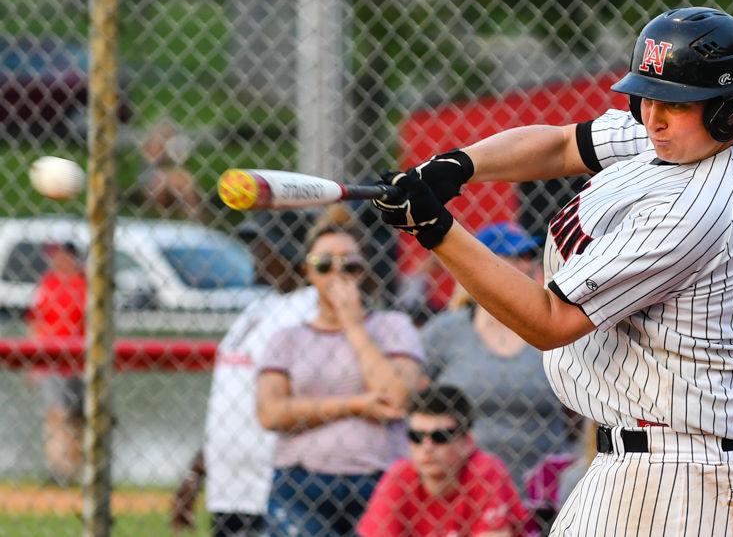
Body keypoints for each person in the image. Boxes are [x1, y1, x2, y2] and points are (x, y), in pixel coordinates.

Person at [374, 7, 733, 534]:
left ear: (729, 109)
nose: (653, 119)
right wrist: (456, 165)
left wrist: (435, 230)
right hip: (649, 461)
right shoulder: (725, 137)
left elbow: (550, 320)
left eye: (676, 104)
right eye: (648, 98)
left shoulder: (699, 208)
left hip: (689, 476)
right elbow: (564, 145)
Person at [256, 221, 426, 536]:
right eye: (324, 264)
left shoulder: (394, 326)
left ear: (364, 270)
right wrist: (355, 406)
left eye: (349, 264)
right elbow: (271, 413)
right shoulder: (286, 338)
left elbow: (396, 398)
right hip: (301, 482)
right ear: (307, 272)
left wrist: (352, 324)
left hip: (380, 478)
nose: (337, 272)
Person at [168, 209, 322, 536]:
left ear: (288, 253)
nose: (255, 253)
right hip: (230, 488)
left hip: (277, 486)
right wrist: (196, 474)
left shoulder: (312, 309)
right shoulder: (258, 309)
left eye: (264, 244)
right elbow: (228, 403)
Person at [421, 221, 575, 491]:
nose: (528, 265)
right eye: (515, 256)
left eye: (529, 256)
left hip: (545, 488)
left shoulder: (554, 330)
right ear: (481, 264)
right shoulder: (446, 331)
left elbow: (578, 413)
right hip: (465, 486)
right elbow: (420, 404)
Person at [357, 384, 529, 536]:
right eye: (416, 436)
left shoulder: (484, 470)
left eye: (440, 437)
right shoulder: (400, 475)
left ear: (467, 442)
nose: (427, 447)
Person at [26, 242, 87, 485]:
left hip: (79, 361)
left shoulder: (83, 284)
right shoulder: (48, 283)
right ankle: (59, 469)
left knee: (77, 417)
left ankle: (75, 469)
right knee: (56, 414)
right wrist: (33, 362)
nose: (55, 261)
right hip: (50, 360)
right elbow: (35, 322)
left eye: (60, 256)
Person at [133, 120, 204, 220]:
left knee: (182, 178)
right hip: (150, 181)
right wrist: (163, 149)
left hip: (166, 181)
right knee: (174, 179)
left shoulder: (171, 147)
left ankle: (191, 215)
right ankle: (193, 215)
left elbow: (179, 164)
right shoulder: (154, 144)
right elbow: (154, 162)